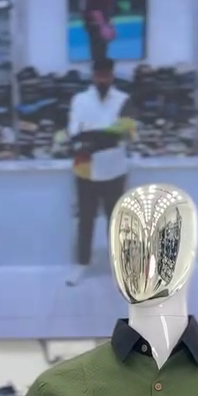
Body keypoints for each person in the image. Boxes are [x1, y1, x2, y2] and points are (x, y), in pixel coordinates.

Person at [67, 57, 135, 287]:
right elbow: (74, 131)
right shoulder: (80, 99)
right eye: (99, 76)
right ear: (93, 76)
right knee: (85, 218)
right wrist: (105, 136)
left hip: (114, 167)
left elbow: (125, 133)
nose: (102, 80)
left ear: (112, 76)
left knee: (115, 219)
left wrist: (93, 137)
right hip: (85, 166)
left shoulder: (123, 100)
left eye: (106, 76)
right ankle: (81, 264)